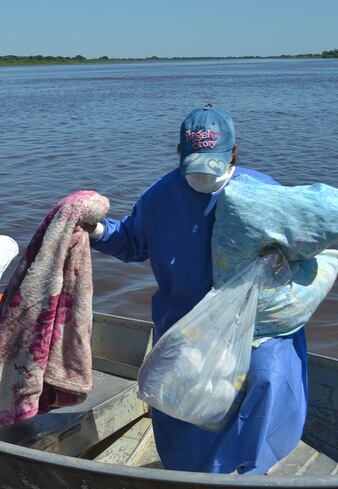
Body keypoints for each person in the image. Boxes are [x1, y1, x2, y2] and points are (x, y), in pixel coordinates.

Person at [88, 104, 307, 474]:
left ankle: (251, 469)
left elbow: (304, 247)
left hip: (254, 327)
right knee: (181, 407)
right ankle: (190, 474)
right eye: (196, 163)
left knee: (269, 376)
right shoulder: (160, 196)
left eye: (215, 162)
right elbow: (131, 241)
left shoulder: (264, 191)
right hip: (185, 324)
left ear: (234, 152)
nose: (205, 175)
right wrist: (95, 230)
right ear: (181, 154)